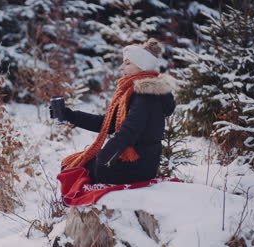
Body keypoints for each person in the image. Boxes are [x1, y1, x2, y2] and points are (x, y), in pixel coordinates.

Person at [51, 38, 176, 185]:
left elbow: (129, 131)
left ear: (142, 67)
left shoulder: (146, 95)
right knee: (73, 164)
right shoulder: (135, 92)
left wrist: (104, 157)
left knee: (76, 170)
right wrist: (70, 115)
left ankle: (79, 204)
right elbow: (108, 123)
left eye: (127, 63)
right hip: (137, 160)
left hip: (137, 164)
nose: (121, 68)